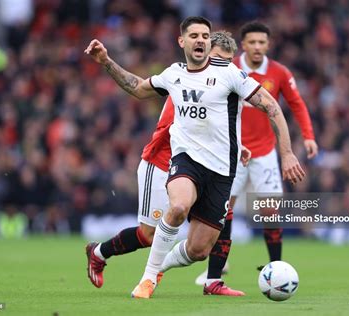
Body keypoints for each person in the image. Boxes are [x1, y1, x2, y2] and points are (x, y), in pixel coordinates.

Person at [84, 16, 305, 299]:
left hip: (221, 170)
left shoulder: (228, 75)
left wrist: (278, 151)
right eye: (195, 36)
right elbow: (138, 88)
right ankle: (149, 278)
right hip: (171, 160)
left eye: (205, 35)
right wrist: (106, 61)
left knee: (197, 249)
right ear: (182, 41)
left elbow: (267, 108)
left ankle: (125, 258)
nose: (200, 40)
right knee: (177, 208)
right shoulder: (174, 74)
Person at [195, 21, 319, 287]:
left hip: (264, 153)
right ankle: (216, 269)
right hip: (232, 151)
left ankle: (277, 268)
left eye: (262, 42)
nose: (257, 47)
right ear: (243, 45)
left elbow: (297, 104)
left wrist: (308, 136)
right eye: (252, 42)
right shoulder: (228, 67)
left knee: (269, 211)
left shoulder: (280, 73)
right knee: (224, 209)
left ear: (268, 44)